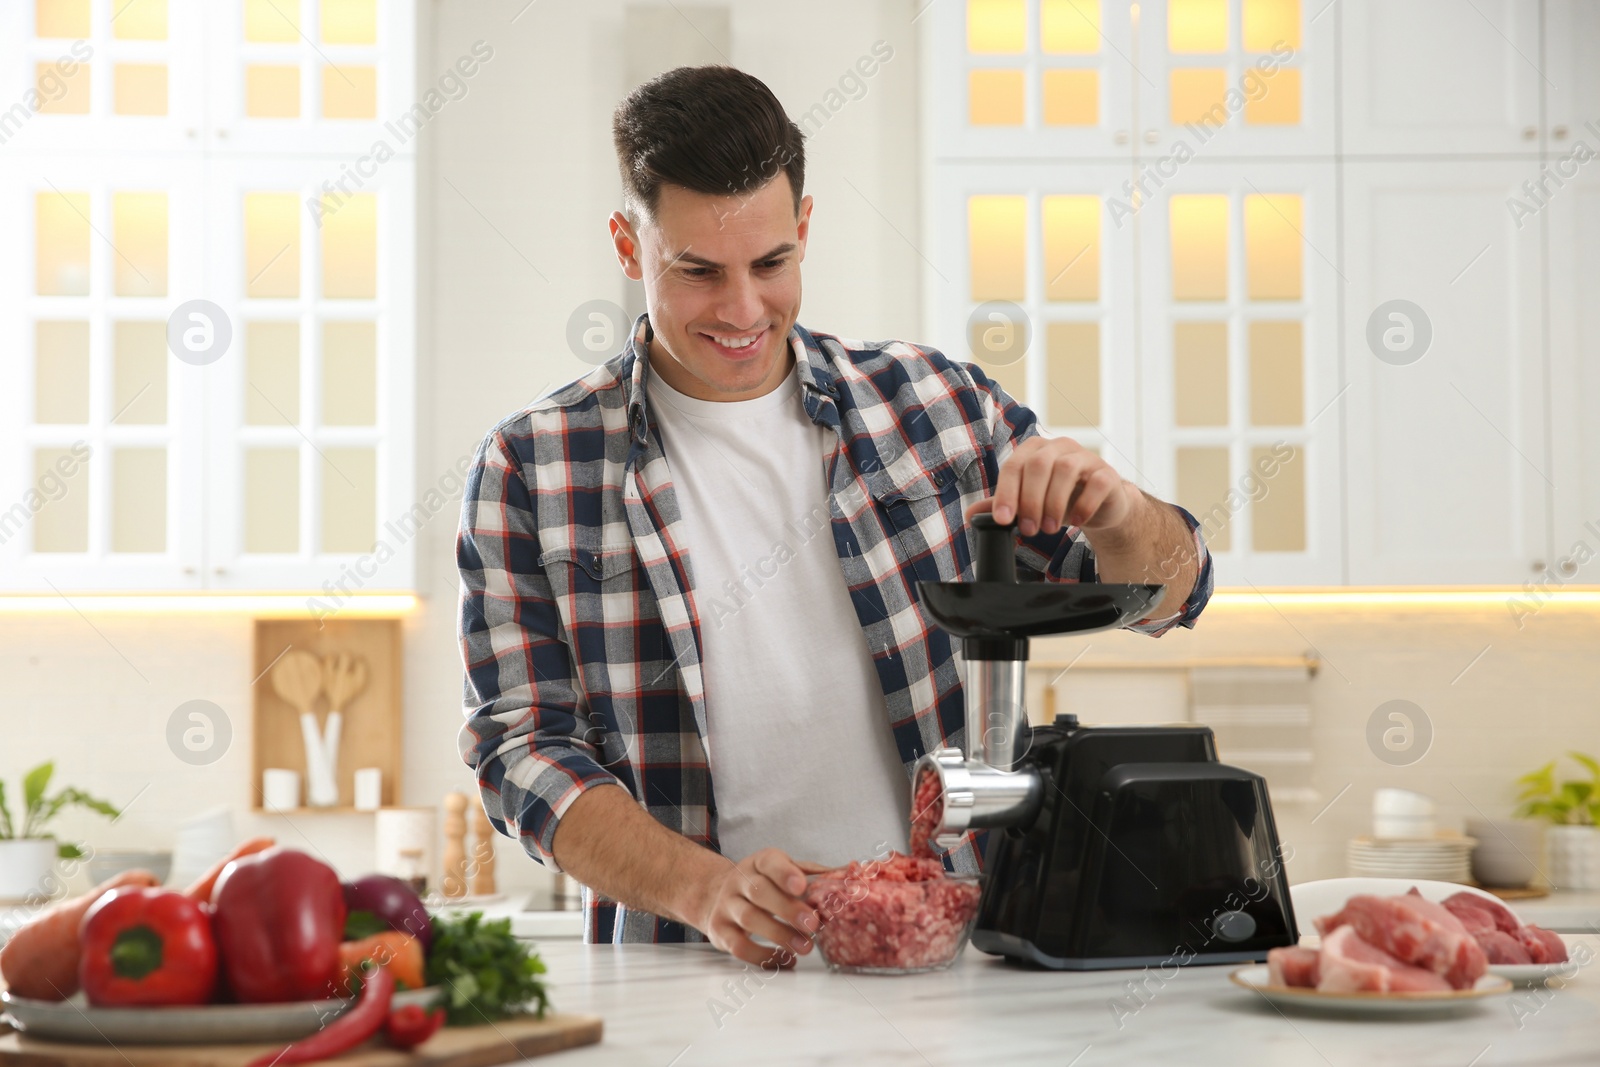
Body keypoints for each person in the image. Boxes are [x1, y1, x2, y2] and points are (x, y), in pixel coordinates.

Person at [456, 65, 1213, 969]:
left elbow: (1171, 593)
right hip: (694, 970)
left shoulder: (937, 409)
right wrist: (704, 888)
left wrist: (1118, 510)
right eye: (697, 271)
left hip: (956, 961)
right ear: (629, 245)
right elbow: (522, 749)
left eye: (771, 264)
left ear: (804, 230)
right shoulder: (535, 466)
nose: (743, 309)